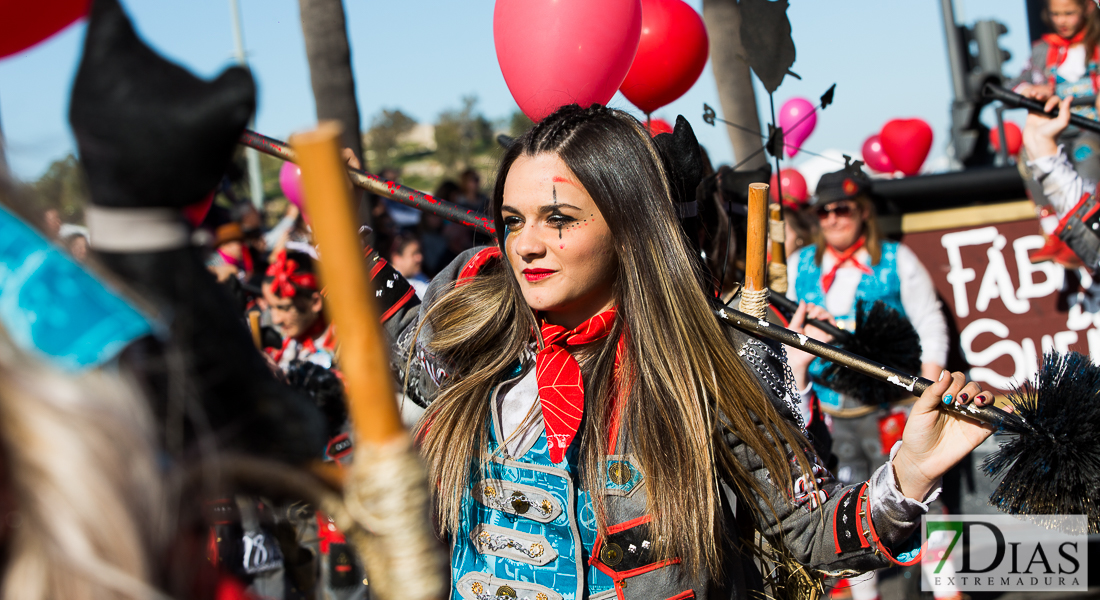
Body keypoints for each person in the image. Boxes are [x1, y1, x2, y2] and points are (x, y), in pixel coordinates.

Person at [377, 104, 994, 598]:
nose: (526, 245)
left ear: (629, 221)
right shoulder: (475, 337)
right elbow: (396, 338)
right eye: (513, 220)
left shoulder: (712, 366)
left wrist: (909, 475)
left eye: (558, 218)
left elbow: (809, 533)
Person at [786, 163, 952, 600]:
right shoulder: (797, 265)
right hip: (827, 412)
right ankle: (867, 596)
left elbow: (931, 324)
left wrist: (926, 394)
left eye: (842, 208)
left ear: (862, 210)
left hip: (891, 408)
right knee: (846, 508)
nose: (834, 218)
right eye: (824, 212)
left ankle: (950, 588)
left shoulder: (897, 259)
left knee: (927, 497)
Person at [1011, 0, 1100, 262]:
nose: (1062, 20)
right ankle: (1054, 232)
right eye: (1056, 14)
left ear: (1087, 9)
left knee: (1087, 153)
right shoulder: (1043, 51)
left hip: (1092, 126)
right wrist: (1030, 90)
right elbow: (1018, 82)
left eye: (1069, 13)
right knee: (1028, 157)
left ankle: (1085, 228)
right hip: (1058, 128)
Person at [388, 231, 430, 297]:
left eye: (419, 252)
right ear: (396, 258)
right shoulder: (390, 287)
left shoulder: (420, 277)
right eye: (414, 253)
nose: (420, 258)